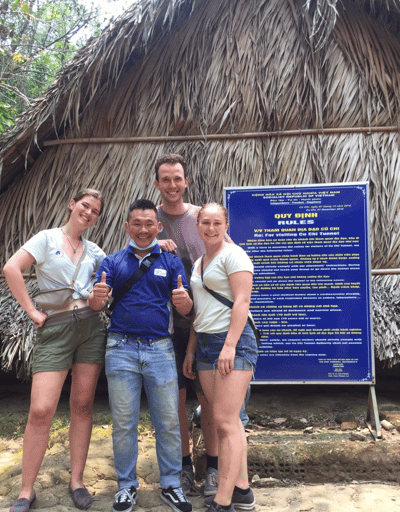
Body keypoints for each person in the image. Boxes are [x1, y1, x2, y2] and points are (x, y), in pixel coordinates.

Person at [2, 189, 107, 512]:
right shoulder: (46, 239)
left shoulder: (96, 251)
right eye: (84, 206)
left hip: (91, 328)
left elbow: (111, 279)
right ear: (71, 203)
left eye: (95, 211)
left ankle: (77, 481)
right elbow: (11, 269)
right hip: (55, 329)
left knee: (83, 405)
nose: (88, 213)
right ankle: (26, 490)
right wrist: (32, 311)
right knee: (41, 410)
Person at [89, 199, 193, 512]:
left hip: (161, 348)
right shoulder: (112, 262)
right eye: (137, 223)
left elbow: (185, 309)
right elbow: (97, 305)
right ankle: (125, 486)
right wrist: (95, 299)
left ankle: (172, 485)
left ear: (159, 226)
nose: (144, 229)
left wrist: (184, 301)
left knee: (168, 421)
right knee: (123, 423)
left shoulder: (172, 263)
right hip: (120, 348)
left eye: (150, 224)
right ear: (127, 227)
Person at [152, 153, 247, 498]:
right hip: (168, 328)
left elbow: (232, 261)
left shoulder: (202, 218)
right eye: (166, 179)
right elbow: (131, 255)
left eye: (178, 178)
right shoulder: (153, 220)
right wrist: (152, 245)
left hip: (206, 326)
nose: (172, 185)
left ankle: (214, 466)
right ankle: (183, 463)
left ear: (186, 181)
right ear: (158, 183)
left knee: (208, 401)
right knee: (175, 398)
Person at [183, 203, 257, 512]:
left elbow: (242, 301)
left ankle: (223, 501)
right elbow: (201, 311)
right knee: (225, 421)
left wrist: (229, 345)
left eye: (217, 223)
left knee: (226, 422)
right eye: (205, 223)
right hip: (205, 345)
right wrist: (190, 349)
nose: (211, 228)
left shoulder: (234, 255)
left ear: (226, 225)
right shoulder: (199, 262)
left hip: (233, 344)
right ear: (197, 225)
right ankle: (242, 492)